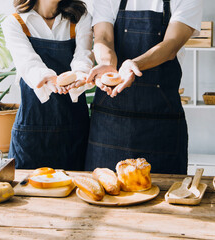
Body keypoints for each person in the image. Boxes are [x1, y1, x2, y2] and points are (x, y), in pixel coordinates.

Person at [85, 0, 202, 174]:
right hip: (110, 126)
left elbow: (171, 45)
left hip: (160, 127)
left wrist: (134, 64)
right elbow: (103, 38)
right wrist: (107, 64)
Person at [2, 0, 93, 170]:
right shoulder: (15, 23)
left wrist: (79, 74)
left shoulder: (80, 17)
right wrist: (48, 79)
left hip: (74, 129)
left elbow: (84, 56)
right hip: (31, 128)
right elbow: (28, 63)